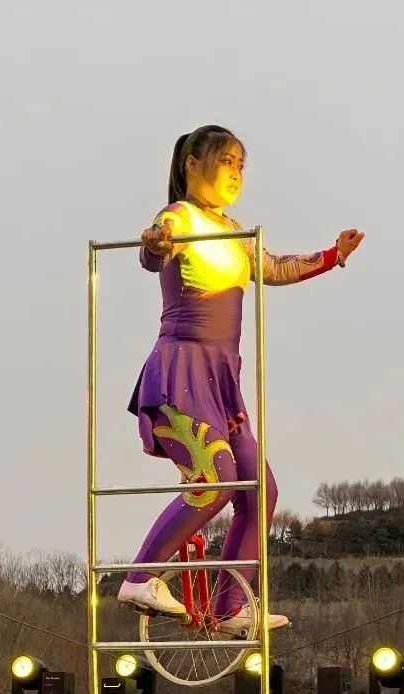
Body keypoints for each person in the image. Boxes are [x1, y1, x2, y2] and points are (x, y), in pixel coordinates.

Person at [116, 124, 365, 635]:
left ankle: (230, 606)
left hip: (222, 381)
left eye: (240, 165)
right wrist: (156, 244)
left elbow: (273, 268)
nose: (235, 173)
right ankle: (140, 577)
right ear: (192, 164)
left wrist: (331, 255)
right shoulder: (177, 217)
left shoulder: (232, 230)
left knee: (259, 490)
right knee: (217, 479)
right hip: (182, 372)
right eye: (225, 161)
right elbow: (152, 252)